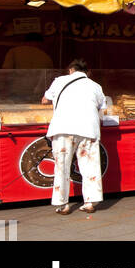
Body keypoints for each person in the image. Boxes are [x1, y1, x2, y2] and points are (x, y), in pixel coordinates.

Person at [41, 59, 107, 214]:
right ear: (87, 72)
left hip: (63, 128)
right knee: (90, 166)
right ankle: (90, 203)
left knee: (61, 167)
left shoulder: (59, 81)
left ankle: (62, 204)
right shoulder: (95, 86)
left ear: (71, 70)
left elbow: (45, 100)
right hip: (88, 129)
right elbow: (102, 108)